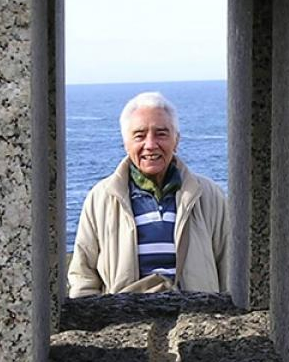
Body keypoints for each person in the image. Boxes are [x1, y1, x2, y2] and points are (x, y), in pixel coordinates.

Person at [68, 91, 230, 298]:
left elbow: (229, 267)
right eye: (140, 135)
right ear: (126, 143)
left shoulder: (209, 195)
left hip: (196, 319)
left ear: (176, 140)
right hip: (125, 321)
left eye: (161, 133)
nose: (151, 144)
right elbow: (83, 273)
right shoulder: (101, 198)